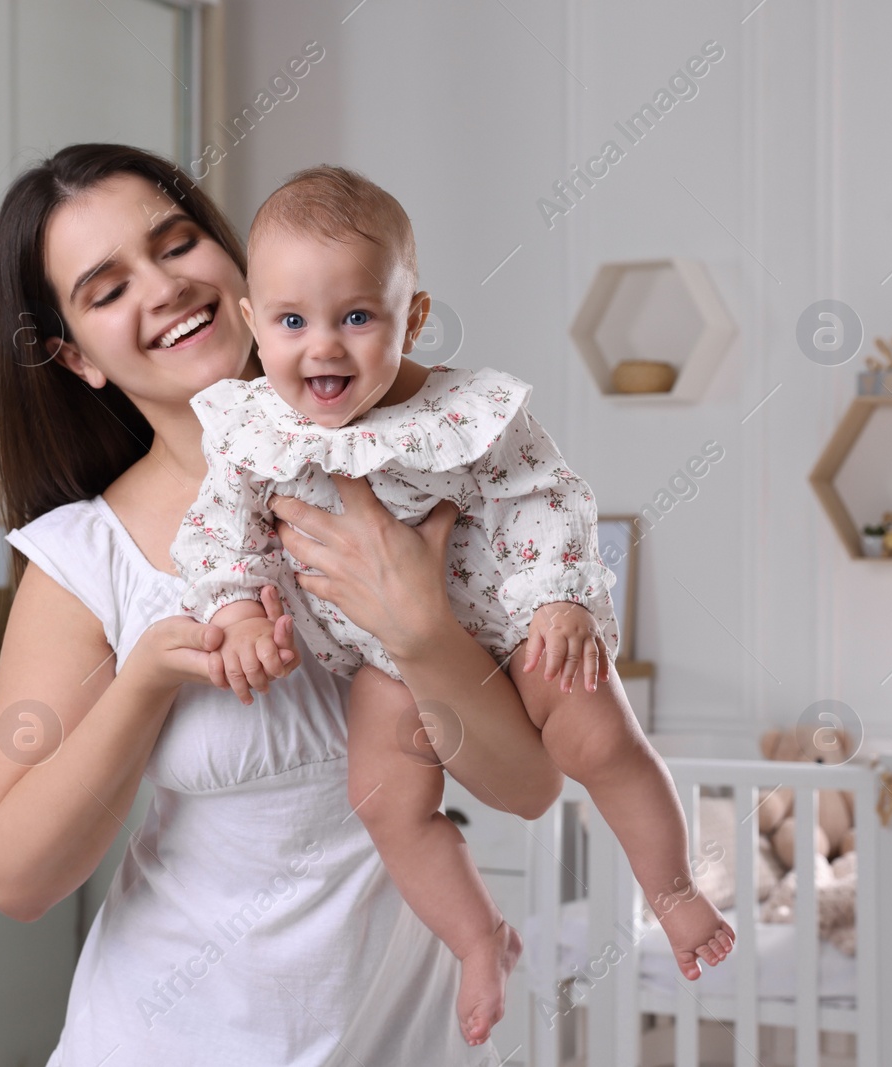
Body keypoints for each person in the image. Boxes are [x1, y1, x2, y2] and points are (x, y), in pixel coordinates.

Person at [0, 143, 562, 1065]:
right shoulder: (88, 556)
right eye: (106, 288)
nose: (162, 288)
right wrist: (146, 679)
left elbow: (527, 788)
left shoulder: (429, 481)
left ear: (238, 267)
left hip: (410, 1041)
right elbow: (15, 875)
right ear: (73, 356)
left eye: (175, 244)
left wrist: (419, 628)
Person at [170, 165, 735, 1044]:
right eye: (291, 321)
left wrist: (558, 600)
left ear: (413, 317)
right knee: (387, 799)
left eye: (357, 317)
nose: (323, 347)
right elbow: (218, 533)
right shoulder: (252, 432)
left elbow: (545, 495)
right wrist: (238, 611)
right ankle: (477, 938)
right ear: (252, 322)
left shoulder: (462, 413)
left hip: (515, 624)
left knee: (598, 738)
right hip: (385, 664)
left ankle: (671, 889)